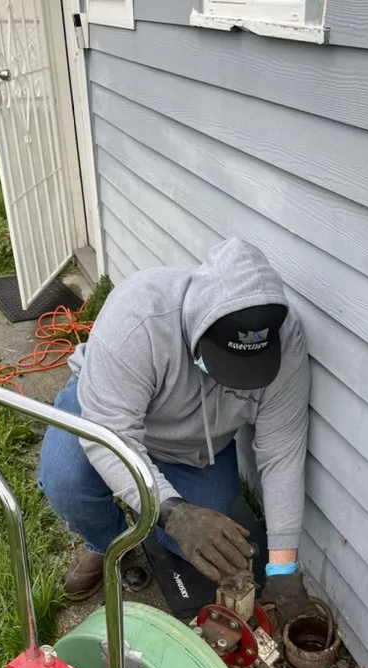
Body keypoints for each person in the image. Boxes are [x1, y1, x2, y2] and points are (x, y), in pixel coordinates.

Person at [37, 237, 311, 626]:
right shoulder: (139, 317)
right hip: (105, 417)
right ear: (196, 326)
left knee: (207, 548)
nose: (232, 380)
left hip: (194, 447)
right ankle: (107, 543)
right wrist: (174, 512)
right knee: (68, 480)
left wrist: (283, 570)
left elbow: (282, 452)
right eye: (223, 363)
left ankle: (148, 503)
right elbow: (111, 433)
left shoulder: (286, 340)